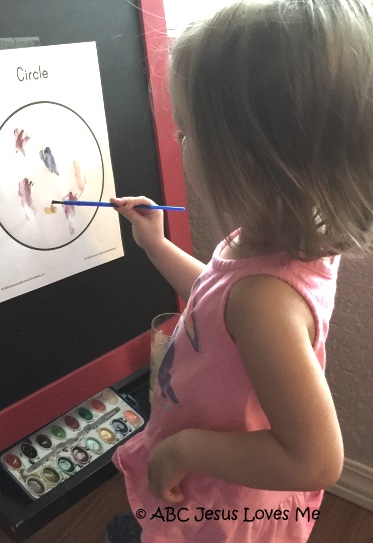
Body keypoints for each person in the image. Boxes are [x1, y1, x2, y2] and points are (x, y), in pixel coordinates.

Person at [105, 1, 373, 541]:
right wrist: (156, 246)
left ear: (248, 156)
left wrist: (183, 449)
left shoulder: (265, 301)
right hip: (210, 471)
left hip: (223, 501)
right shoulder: (273, 237)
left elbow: (317, 460)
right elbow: (214, 300)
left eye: (186, 134)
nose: (180, 144)